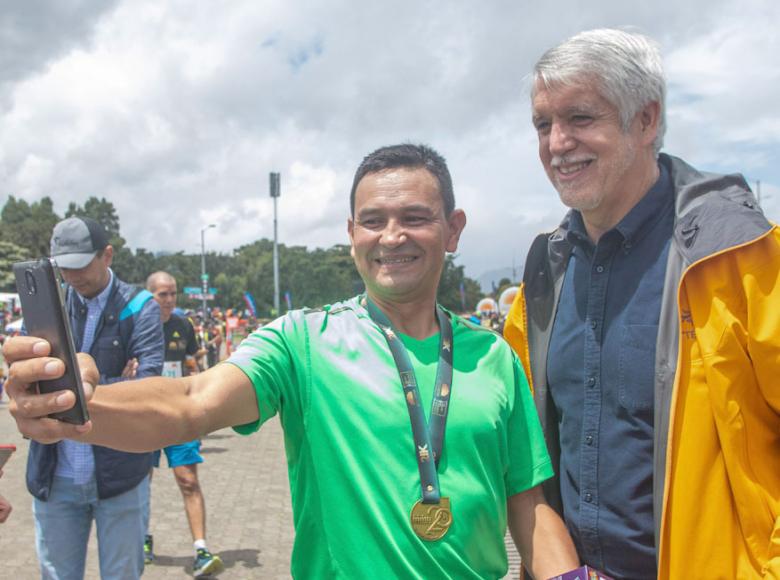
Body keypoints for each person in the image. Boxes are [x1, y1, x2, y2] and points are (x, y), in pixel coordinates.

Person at [5, 144, 579, 579]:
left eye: (416, 217)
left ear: (453, 231)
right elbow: (188, 403)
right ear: (351, 233)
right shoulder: (304, 340)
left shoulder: (494, 357)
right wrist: (76, 408)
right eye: (373, 220)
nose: (392, 235)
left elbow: (527, 505)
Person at [503, 28, 780, 579]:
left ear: (647, 120)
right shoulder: (543, 279)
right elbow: (524, 458)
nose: (557, 143)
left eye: (580, 118)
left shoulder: (741, 258)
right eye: (543, 124)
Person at [26, 216, 164, 579]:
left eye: (81, 266)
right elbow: (31, 380)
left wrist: (65, 391)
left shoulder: (140, 306)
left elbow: (147, 388)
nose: (72, 277)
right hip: (55, 475)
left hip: (120, 475)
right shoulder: (47, 305)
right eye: (63, 268)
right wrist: (119, 381)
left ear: (107, 255)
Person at [145, 270, 222, 577]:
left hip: (179, 415)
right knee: (140, 483)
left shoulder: (183, 325)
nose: (169, 300)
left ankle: (201, 550)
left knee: (188, 480)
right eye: (163, 294)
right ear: (149, 296)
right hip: (146, 416)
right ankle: (142, 538)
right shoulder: (137, 326)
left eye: (173, 294)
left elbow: (192, 364)